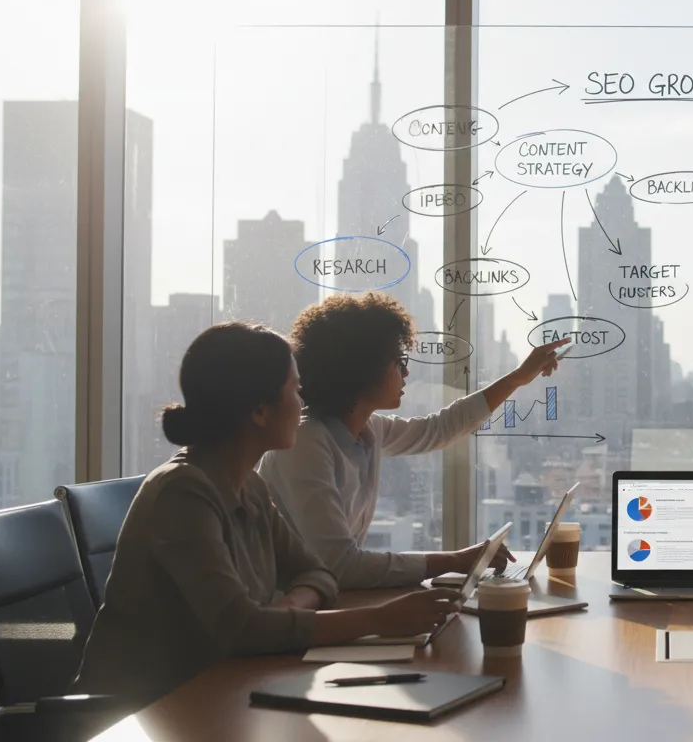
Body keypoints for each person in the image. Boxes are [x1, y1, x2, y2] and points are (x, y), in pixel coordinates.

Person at [74, 323, 465, 712]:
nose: (303, 401)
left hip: (221, 691)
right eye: (295, 390)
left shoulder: (250, 487)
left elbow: (320, 574)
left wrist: (286, 609)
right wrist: (378, 619)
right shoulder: (183, 494)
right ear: (260, 411)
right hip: (144, 713)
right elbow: (243, 629)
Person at [258, 292, 569, 589]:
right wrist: (457, 560)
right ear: (362, 369)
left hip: (327, 600)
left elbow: (439, 429)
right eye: (398, 360)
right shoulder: (305, 444)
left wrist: (517, 378)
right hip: (289, 615)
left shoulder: (368, 430)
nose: (406, 372)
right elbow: (340, 565)